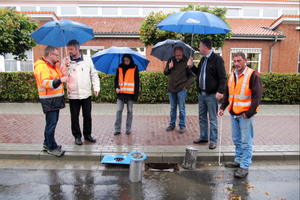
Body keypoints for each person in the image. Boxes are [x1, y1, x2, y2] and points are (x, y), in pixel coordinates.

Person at [218, 51, 262, 178]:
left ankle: (244, 166)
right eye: (234, 61)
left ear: (245, 60)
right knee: (237, 139)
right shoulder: (232, 74)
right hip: (234, 113)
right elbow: (228, 94)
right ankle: (238, 160)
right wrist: (222, 107)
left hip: (245, 115)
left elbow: (257, 96)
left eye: (238, 61)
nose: (236, 63)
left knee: (246, 142)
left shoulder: (252, 75)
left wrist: (249, 113)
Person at [189, 38, 227, 149]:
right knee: (202, 117)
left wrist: (220, 91)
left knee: (212, 118)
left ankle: (213, 140)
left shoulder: (217, 59)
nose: (199, 49)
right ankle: (204, 137)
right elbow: (198, 73)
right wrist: (191, 66)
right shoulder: (203, 60)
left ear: (205, 47)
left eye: (200, 47)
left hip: (211, 95)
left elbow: (223, 77)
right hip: (201, 94)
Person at [33, 45, 68, 157]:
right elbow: (46, 83)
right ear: (49, 54)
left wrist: (64, 70)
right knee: (51, 124)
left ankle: (46, 144)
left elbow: (59, 77)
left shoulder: (53, 66)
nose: (58, 57)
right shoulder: (42, 67)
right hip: (49, 100)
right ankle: (52, 148)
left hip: (54, 99)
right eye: (56, 55)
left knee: (50, 123)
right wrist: (61, 80)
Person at [65, 40, 100, 145]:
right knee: (74, 116)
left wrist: (96, 87)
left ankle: (87, 134)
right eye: (68, 49)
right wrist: (66, 68)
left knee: (87, 116)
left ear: (77, 48)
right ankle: (77, 136)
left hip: (86, 93)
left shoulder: (87, 60)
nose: (69, 51)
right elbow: (62, 76)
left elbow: (93, 74)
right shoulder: (66, 61)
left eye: (71, 49)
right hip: (73, 94)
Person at [164, 46, 195, 133]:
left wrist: (186, 86)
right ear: (174, 54)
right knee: (173, 108)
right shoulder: (170, 60)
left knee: (182, 108)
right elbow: (165, 72)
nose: (178, 57)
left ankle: (182, 125)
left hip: (182, 88)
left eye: (180, 55)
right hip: (171, 88)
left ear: (183, 53)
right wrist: (169, 68)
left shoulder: (187, 61)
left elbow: (192, 75)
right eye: (177, 55)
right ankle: (172, 124)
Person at [114, 54, 140, 135]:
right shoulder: (119, 68)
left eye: (127, 61)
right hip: (120, 92)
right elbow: (116, 80)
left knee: (129, 111)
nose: (126, 62)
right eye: (124, 61)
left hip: (130, 94)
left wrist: (136, 95)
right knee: (119, 110)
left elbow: (137, 82)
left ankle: (128, 129)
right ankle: (117, 129)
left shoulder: (135, 68)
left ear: (130, 60)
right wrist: (116, 87)